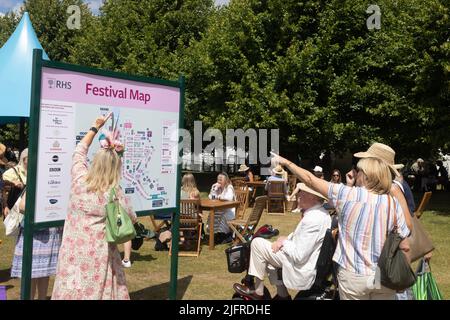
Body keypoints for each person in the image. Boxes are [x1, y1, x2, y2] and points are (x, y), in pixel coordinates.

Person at [272, 149, 410, 300]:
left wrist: (286, 162)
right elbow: (405, 245)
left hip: (352, 275)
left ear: (365, 175)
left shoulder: (346, 194)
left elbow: (310, 180)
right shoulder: (393, 203)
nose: (356, 173)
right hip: (380, 275)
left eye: (358, 170)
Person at [52, 114, 138, 300]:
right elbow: (131, 219)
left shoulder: (79, 180)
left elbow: (78, 152)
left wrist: (95, 127)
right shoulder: (114, 194)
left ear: (95, 163)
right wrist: (119, 155)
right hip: (99, 259)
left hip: (72, 255)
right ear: (116, 168)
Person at [233, 183, 331, 300]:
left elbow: (299, 255)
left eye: (303, 193)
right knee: (269, 254)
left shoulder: (313, 219)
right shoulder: (320, 214)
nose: (298, 195)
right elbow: (300, 238)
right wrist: (284, 239)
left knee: (257, 244)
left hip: (300, 267)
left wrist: (283, 243)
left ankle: (258, 292)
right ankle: (282, 295)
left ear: (313, 197)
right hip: (304, 262)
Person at [10, 191, 63, 300]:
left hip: (50, 232)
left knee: (45, 273)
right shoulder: (35, 182)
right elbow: (22, 206)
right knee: (31, 274)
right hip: (33, 235)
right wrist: (45, 206)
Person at [208, 172, 235, 243]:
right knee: (211, 214)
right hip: (219, 209)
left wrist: (219, 197)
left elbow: (229, 198)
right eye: (218, 179)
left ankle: (224, 234)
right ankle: (214, 234)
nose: (219, 181)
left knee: (223, 216)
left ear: (225, 180)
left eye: (221, 180)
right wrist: (214, 189)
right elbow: (210, 197)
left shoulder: (229, 187)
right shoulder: (216, 187)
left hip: (229, 210)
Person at [2, 148, 27, 217]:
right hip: (14, 212)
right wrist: (6, 206)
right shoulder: (11, 173)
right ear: (24, 159)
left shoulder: (37, 172)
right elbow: (3, 190)